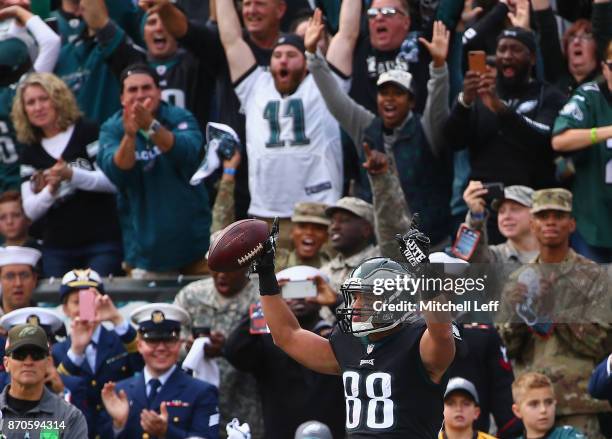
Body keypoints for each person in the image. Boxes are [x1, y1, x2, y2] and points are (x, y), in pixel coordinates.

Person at [253, 214, 458, 437]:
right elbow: (286, 335)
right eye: (354, 297)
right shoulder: (348, 342)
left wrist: (423, 271)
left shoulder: (417, 340)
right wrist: (266, 275)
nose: (356, 305)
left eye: (367, 298)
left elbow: (442, 332)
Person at [306, 13, 453, 247]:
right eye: (384, 93)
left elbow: (437, 101)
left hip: (431, 245)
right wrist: (313, 56)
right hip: (382, 246)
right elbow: (334, 98)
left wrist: (438, 66)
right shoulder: (365, 126)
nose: (390, 99)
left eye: (398, 93)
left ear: (411, 101)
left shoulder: (427, 129)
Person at [216, 0, 358, 233]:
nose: (283, 60)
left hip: (318, 212)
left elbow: (348, 35)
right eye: (277, 55)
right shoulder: (254, 86)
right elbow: (231, 40)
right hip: (267, 215)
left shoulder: (325, 85)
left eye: (291, 54)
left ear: (305, 63)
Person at [499, 189, 611, 438]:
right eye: (542, 216)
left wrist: (555, 311)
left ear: (572, 224)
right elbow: (510, 348)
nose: (550, 221)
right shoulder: (517, 280)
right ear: (532, 224)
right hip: (531, 404)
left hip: (580, 403)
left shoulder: (595, 277)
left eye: (558, 215)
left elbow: (603, 345)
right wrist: (519, 314)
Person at [97, 63, 211, 277]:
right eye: (132, 90)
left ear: (159, 92)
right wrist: (130, 135)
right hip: (146, 257)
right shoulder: (112, 128)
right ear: (122, 98)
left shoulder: (180, 117)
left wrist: (150, 126)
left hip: (196, 250)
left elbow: (187, 152)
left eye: (146, 88)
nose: (140, 95)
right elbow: (117, 172)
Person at [11, 72, 123, 277]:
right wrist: (51, 190)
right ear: (23, 110)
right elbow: (31, 210)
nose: (38, 107)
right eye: (31, 102)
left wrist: (72, 175)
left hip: (101, 242)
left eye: (44, 99)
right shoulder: (29, 150)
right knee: (60, 307)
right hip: (57, 247)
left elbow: (113, 181)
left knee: (92, 303)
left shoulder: (87, 131)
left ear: (58, 99)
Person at [444, 27, 567, 190]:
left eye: (516, 50)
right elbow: (453, 142)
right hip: (484, 198)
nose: (508, 56)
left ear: (532, 58)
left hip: (531, 198)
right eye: (502, 49)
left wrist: (502, 110)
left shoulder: (550, 96)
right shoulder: (479, 94)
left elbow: (544, 137)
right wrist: (464, 102)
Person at [224, 292, 345, 439]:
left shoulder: (337, 338)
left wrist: (336, 302)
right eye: (290, 291)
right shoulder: (266, 341)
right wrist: (269, 297)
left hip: (333, 431)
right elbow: (235, 352)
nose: (299, 297)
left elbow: (359, 337)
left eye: (306, 289)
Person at [99, 303, 219, 439]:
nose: (161, 348)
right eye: (153, 341)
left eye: (169, 341)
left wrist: (167, 433)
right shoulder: (120, 391)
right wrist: (118, 425)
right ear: (139, 345)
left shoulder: (202, 392)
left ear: (179, 343)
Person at [174, 257, 264, 438]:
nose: (222, 275)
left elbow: (269, 352)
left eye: (230, 268)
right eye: (216, 267)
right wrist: (190, 348)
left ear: (246, 267)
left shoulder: (262, 297)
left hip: (246, 405)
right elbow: (168, 342)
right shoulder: (191, 295)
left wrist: (227, 349)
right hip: (196, 404)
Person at [52, 268, 144, 438]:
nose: (83, 309)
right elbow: (54, 390)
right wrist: (76, 352)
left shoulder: (121, 340)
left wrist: (117, 319)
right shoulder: (59, 350)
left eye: (89, 301)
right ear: (65, 309)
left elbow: (144, 362)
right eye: (76, 302)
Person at [551, 40, 612, 263]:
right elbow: (560, 140)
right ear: (604, 68)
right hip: (593, 224)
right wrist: (606, 132)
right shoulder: (590, 95)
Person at [0, 2, 61, 193]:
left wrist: (18, 19)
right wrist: (18, 12)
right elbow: (51, 42)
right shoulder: (18, 92)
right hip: (29, 184)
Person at [0, 324, 88, 439]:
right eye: (20, 355)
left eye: (36, 355)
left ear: (48, 362)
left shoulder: (69, 417)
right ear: (6, 363)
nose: (28, 362)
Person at [0, 306, 88, 414]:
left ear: (50, 349)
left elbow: (82, 428)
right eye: (21, 353)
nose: (28, 361)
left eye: (37, 351)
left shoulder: (72, 386)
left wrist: (61, 393)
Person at [448, 323, 521, 438]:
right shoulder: (413, 325)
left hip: (475, 428)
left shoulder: (482, 332)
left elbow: (502, 391)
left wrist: (512, 429)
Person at [532, 0, 611, 96]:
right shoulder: (557, 78)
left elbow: (602, 22)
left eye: (586, 36)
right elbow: (546, 29)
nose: (576, 42)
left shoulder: (606, 80)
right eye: (572, 37)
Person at [462, 183, 538, 265]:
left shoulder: (552, 253)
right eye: (501, 211)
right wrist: (476, 215)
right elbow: (470, 254)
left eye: (515, 209)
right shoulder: (494, 257)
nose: (506, 216)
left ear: (536, 214)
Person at [511, 372, 586, 439]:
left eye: (549, 402)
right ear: (517, 411)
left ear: (555, 403)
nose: (543, 410)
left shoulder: (568, 435)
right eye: (534, 404)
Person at [0, 246, 41, 315]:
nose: (18, 283)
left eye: (24, 276)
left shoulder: (47, 321)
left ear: (34, 279)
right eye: (10, 276)